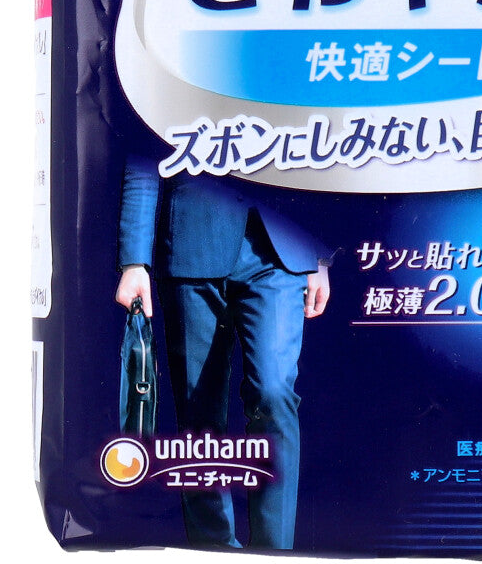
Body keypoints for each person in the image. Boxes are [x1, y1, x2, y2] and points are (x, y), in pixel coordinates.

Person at [115, 155, 332, 550]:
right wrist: (134, 262)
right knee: (199, 416)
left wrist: (319, 254)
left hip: (281, 252)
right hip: (192, 243)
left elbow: (320, 145)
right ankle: (213, 550)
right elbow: (142, 156)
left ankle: (275, 554)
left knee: (274, 393)